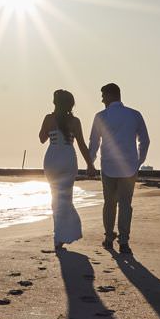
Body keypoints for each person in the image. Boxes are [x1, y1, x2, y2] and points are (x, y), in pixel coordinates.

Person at [87, 83, 150, 253]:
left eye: (103, 95)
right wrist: (138, 161)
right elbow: (145, 140)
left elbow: (94, 142)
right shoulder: (134, 115)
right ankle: (123, 241)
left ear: (109, 95)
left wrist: (90, 162)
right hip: (129, 166)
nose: (101, 99)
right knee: (125, 204)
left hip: (108, 165)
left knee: (109, 203)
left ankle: (108, 238)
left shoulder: (101, 116)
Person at [39, 89, 94, 251]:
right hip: (69, 158)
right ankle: (63, 234)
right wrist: (90, 165)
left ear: (55, 103)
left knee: (55, 197)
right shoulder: (75, 121)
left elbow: (42, 139)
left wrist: (49, 127)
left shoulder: (49, 118)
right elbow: (82, 145)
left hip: (53, 158)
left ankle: (59, 235)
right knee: (66, 198)